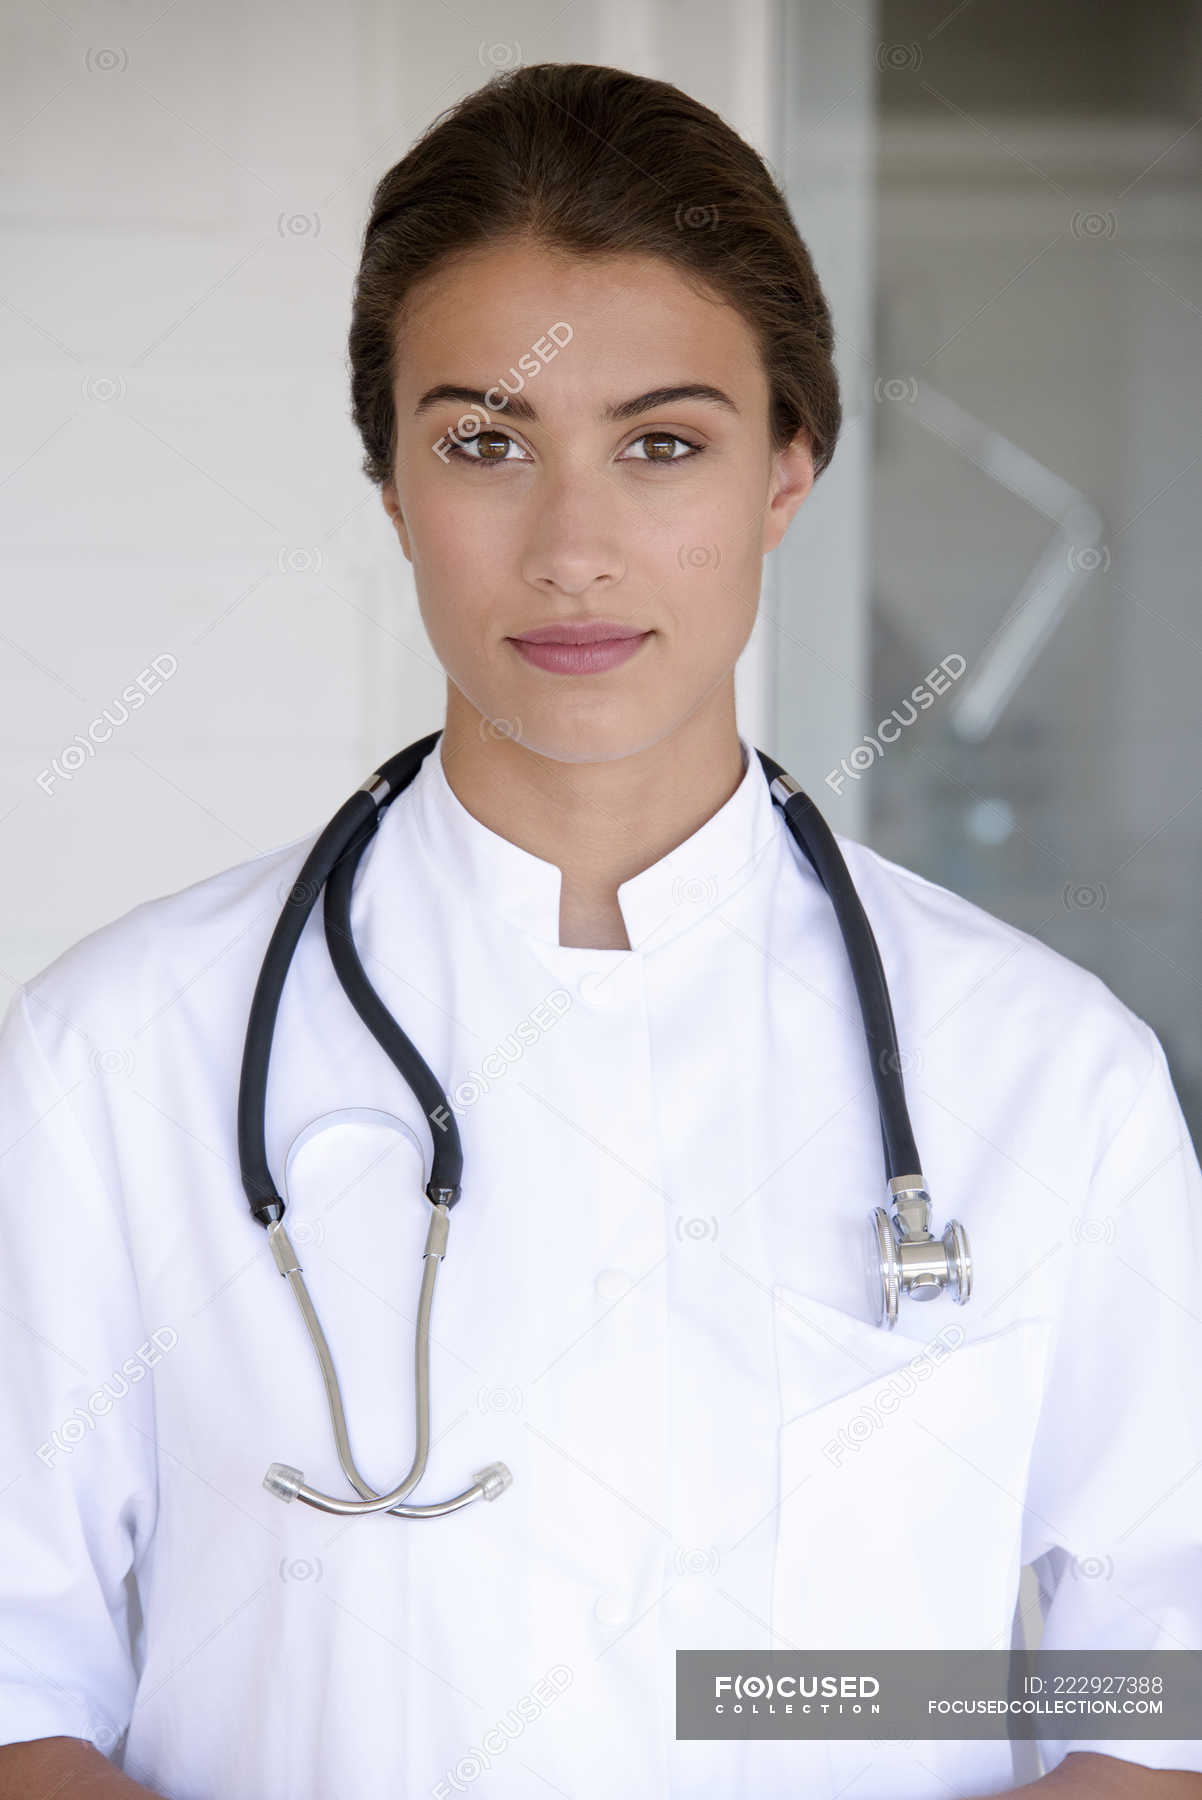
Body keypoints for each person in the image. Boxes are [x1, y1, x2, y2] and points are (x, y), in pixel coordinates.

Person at [0, 59, 1199, 1800]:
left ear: (786, 471)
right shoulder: (116, 1055)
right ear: (389, 481)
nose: (571, 547)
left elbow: (1153, 1694)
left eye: (662, 444)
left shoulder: (1042, 1071)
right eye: (485, 442)